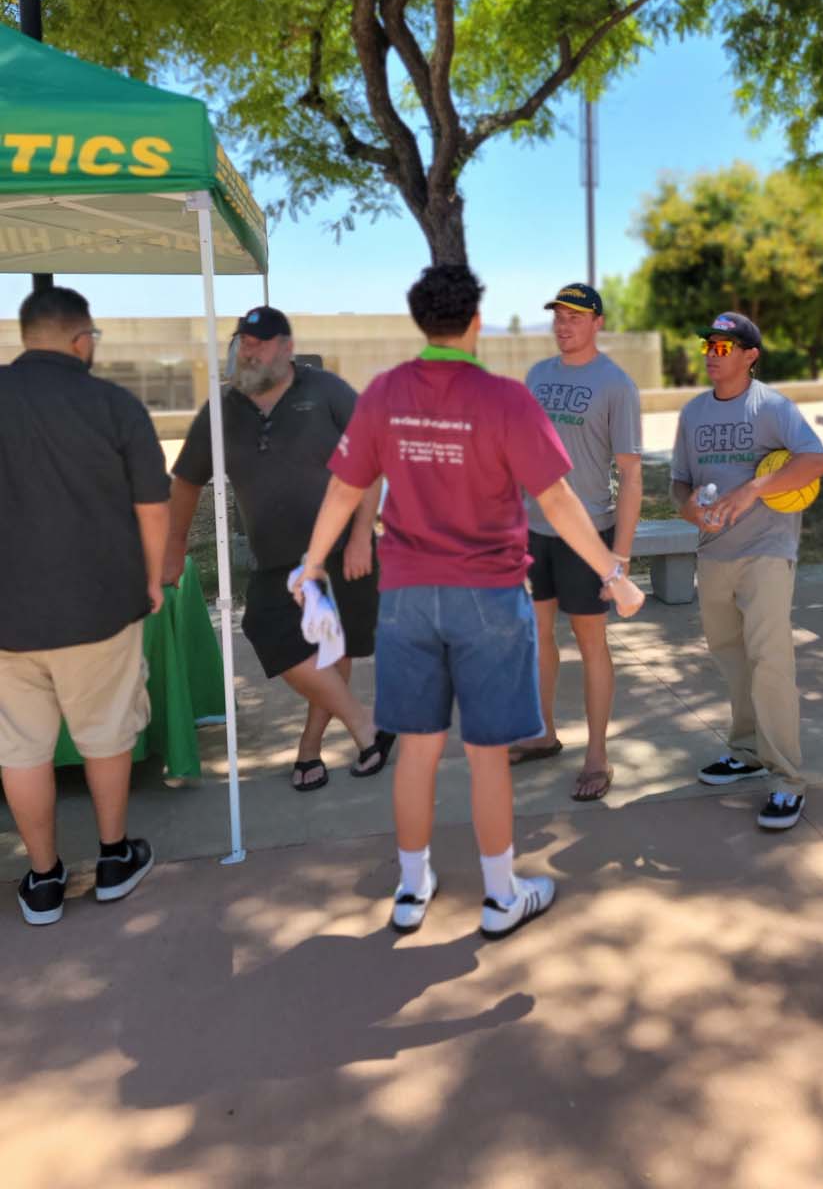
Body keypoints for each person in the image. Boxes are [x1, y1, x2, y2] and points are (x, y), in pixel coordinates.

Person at [294, 265, 645, 939]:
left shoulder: (385, 392)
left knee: (419, 751)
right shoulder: (507, 398)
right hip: (487, 597)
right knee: (487, 754)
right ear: (475, 323)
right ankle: (499, 896)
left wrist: (312, 565)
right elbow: (558, 500)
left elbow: (344, 490)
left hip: (405, 599)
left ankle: (410, 888)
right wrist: (614, 572)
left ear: (421, 323)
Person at [166, 306, 389, 790]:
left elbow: (371, 458)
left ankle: (310, 750)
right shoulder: (221, 409)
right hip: (274, 557)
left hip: (338, 549)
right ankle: (365, 725)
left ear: (286, 348)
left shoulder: (326, 391)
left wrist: (358, 538)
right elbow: (185, 481)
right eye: (244, 340)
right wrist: (173, 547)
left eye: (261, 341)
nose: (249, 349)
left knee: (331, 646)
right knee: (270, 632)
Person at [0, 287, 165, 924]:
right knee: (106, 734)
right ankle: (115, 858)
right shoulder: (115, 405)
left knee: (20, 750)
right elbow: (152, 506)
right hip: (100, 608)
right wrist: (153, 581)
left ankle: (42, 880)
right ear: (81, 339)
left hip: (8, 620)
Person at [671, 312, 823, 832]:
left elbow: (816, 461)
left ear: (750, 355)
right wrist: (690, 509)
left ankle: (787, 779)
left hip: (766, 551)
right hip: (712, 553)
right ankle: (746, 751)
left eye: (725, 345)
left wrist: (754, 489)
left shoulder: (772, 407)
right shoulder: (692, 414)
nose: (714, 352)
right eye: (709, 344)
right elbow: (678, 484)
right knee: (731, 658)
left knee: (770, 661)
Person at [511, 282, 643, 802]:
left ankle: (597, 756)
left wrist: (620, 559)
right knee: (538, 636)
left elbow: (631, 476)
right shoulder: (537, 376)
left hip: (588, 534)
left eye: (575, 317)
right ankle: (543, 734)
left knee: (591, 644)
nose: (564, 325)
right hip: (533, 530)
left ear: (597, 324)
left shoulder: (616, 385)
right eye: (558, 316)